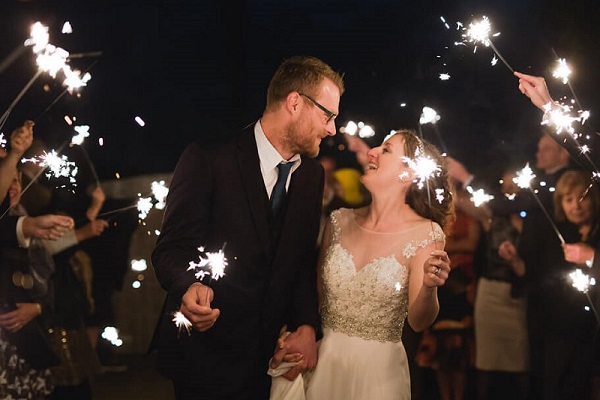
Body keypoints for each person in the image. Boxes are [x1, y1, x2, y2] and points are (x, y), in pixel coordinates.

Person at [151, 55, 344, 399]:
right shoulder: (208, 158)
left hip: (268, 361)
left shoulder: (312, 175)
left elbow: (300, 260)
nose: (332, 129)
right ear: (295, 102)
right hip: (204, 359)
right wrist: (187, 285)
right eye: (327, 115)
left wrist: (306, 325)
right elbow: (170, 249)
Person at [272, 129, 453, 400]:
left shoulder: (426, 234)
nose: (372, 152)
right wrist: (297, 332)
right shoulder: (338, 221)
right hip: (325, 364)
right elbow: (315, 298)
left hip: (379, 376)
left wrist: (428, 287)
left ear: (412, 173)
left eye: (386, 150)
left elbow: (418, 321)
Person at [499, 169, 598, 400]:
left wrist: (592, 256)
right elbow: (532, 275)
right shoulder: (552, 234)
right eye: (569, 199)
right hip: (556, 327)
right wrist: (514, 260)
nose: (577, 206)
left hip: (592, 330)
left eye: (583, 198)